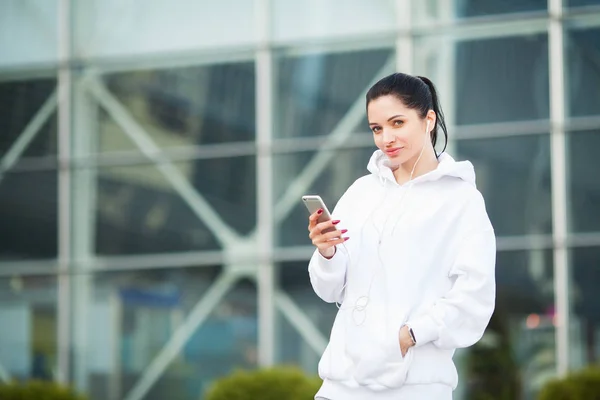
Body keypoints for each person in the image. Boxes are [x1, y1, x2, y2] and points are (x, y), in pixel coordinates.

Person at [306, 72, 496, 400]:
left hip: (414, 388)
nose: (386, 138)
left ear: (428, 120)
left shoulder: (461, 200)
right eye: (377, 129)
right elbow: (330, 290)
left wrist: (409, 336)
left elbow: (474, 298)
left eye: (397, 123)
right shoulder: (361, 192)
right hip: (339, 385)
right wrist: (327, 254)